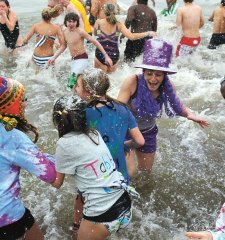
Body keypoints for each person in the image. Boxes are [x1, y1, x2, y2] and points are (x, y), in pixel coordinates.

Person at [117, 38, 209, 172]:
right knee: (128, 174)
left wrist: (190, 114)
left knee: (145, 173)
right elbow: (117, 110)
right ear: (143, 72)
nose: (153, 79)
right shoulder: (132, 82)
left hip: (148, 132)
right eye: (149, 74)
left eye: (158, 75)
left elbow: (178, 105)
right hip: (127, 132)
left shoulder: (168, 86)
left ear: (164, 75)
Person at [52, 96, 137, 240]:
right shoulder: (94, 133)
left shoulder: (64, 144)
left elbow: (57, 182)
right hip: (124, 205)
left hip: (101, 215)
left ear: (58, 121)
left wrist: (36, 164)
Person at [0, 76, 56, 240]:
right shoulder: (12, 137)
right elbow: (51, 175)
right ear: (7, 105)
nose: (25, 104)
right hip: (7, 217)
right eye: (21, 100)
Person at [48, 12, 112, 89]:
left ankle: (70, 97)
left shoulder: (80, 32)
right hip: (74, 60)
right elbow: (63, 46)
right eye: (69, 21)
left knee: (71, 82)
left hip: (82, 58)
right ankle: (85, 96)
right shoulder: (64, 32)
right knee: (78, 83)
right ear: (66, 22)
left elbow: (95, 42)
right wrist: (53, 57)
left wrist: (106, 56)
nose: (71, 24)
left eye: (73, 22)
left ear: (77, 22)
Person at [94, 3, 156, 73]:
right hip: (114, 55)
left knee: (99, 80)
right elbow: (132, 37)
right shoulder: (119, 25)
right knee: (111, 80)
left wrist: (101, 33)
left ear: (105, 11)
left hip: (101, 54)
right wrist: (148, 33)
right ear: (116, 12)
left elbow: (96, 34)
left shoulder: (98, 22)